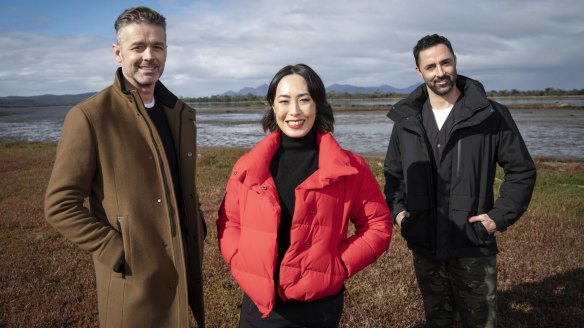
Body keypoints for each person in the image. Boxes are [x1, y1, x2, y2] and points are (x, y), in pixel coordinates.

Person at [44, 6, 205, 327]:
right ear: (118, 53)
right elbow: (59, 205)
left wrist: (196, 224)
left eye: (157, 46)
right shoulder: (90, 117)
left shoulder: (180, 114)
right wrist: (117, 250)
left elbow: (178, 184)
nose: (149, 56)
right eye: (138, 47)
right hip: (133, 282)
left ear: (166, 51)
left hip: (181, 266)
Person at [217, 63, 392, 327]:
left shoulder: (349, 168)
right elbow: (229, 222)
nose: (294, 111)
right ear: (273, 107)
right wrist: (240, 258)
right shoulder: (248, 167)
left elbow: (378, 226)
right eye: (284, 101)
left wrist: (339, 265)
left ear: (318, 104)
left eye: (304, 100)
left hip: (318, 308)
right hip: (259, 307)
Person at [384, 34, 537, 328]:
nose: (440, 72)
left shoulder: (490, 114)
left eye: (445, 63)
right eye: (430, 67)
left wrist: (497, 218)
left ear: (455, 61)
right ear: (419, 71)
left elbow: (522, 171)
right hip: (425, 245)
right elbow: (393, 175)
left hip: (473, 245)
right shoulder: (407, 120)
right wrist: (401, 215)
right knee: (438, 321)